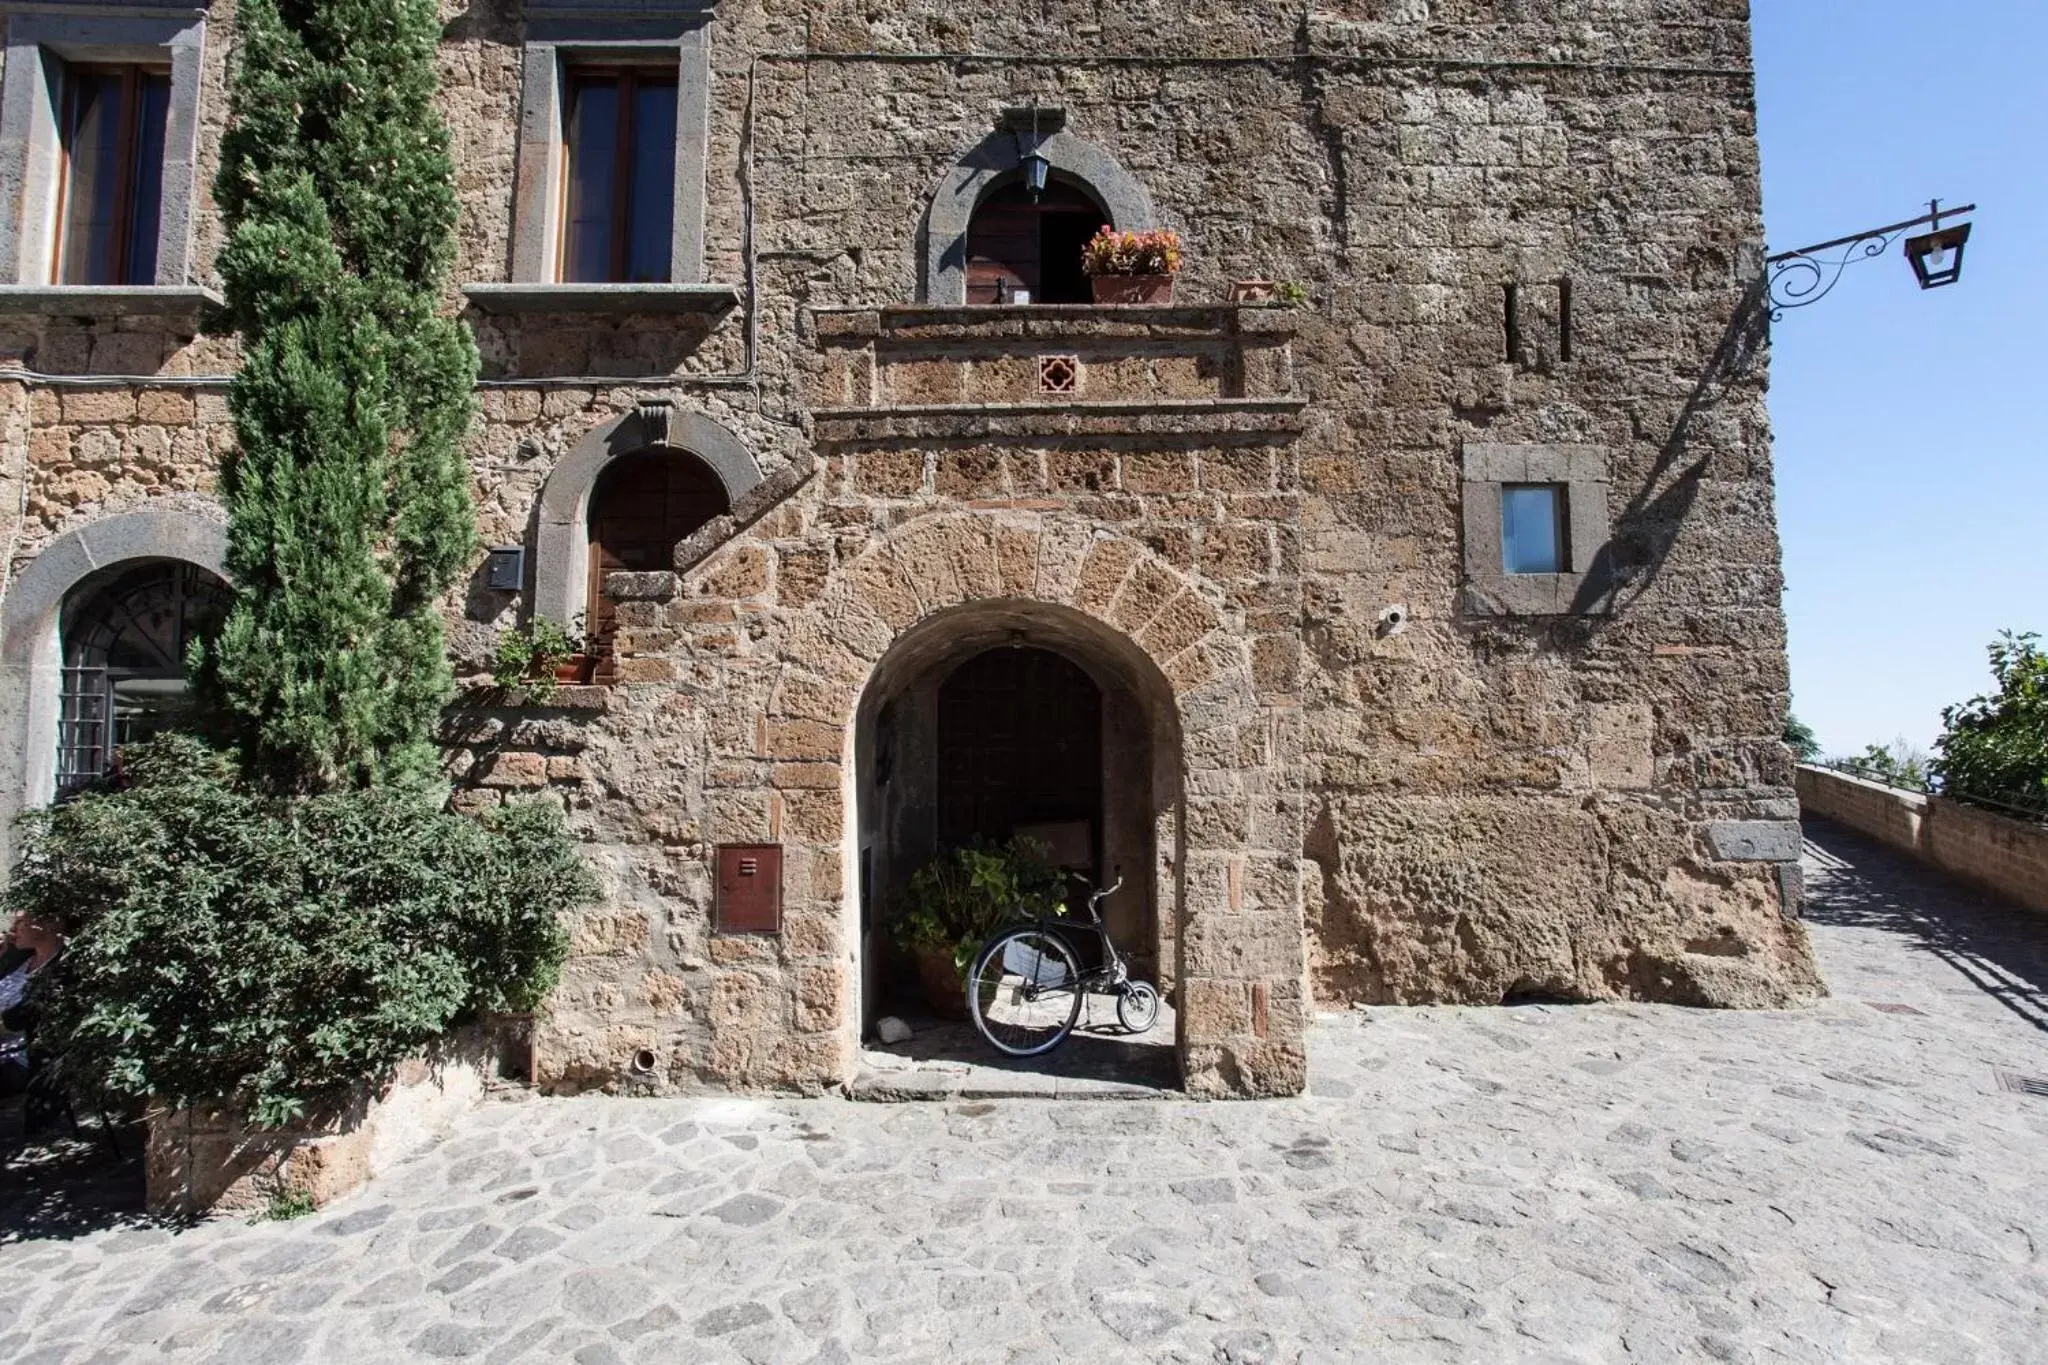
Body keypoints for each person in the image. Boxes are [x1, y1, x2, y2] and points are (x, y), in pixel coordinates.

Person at [0, 910, 61, 1098]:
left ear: (48, 924)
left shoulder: (59, 971)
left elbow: (12, 1024)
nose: (12, 929)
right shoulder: (19, 960)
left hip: (18, 1062)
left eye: (20, 922)